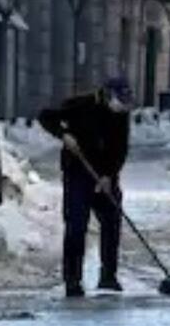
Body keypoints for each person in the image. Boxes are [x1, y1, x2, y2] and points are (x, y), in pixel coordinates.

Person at [39, 77, 132, 298]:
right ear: (107, 94)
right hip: (78, 173)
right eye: (118, 99)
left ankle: (108, 276)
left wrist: (109, 175)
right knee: (76, 225)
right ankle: (72, 280)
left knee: (112, 222)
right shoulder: (79, 105)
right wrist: (64, 135)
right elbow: (46, 117)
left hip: (105, 174)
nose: (120, 105)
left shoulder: (121, 114)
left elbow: (121, 147)